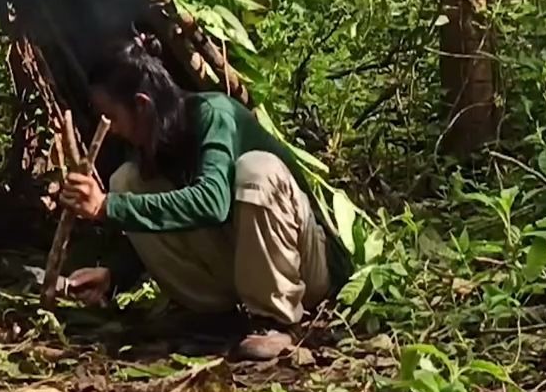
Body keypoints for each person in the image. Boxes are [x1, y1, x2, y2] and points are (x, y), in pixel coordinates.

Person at [59, 38, 342, 362]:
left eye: (112, 116)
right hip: (237, 266)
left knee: (257, 171)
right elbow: (165, 216)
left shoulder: (214, 115)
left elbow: (211, 202)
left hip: (304, 269)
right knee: (125, 182)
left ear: (141, 105)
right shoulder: (152, 146)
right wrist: (114, 275)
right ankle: (216, 315)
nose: (111, 129)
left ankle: (274, 320)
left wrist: (108, 206)